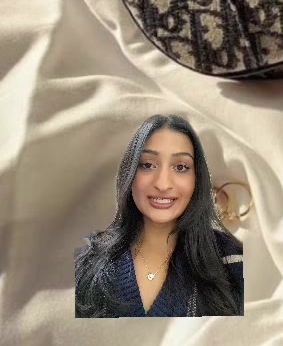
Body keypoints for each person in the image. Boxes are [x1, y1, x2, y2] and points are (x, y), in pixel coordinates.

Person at [75, 114, 244, 317]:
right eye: (148, 165)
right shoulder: (85, 259)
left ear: (196, 179)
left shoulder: (232, 260)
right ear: (130, 173)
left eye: (181, 167)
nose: (163, 184)